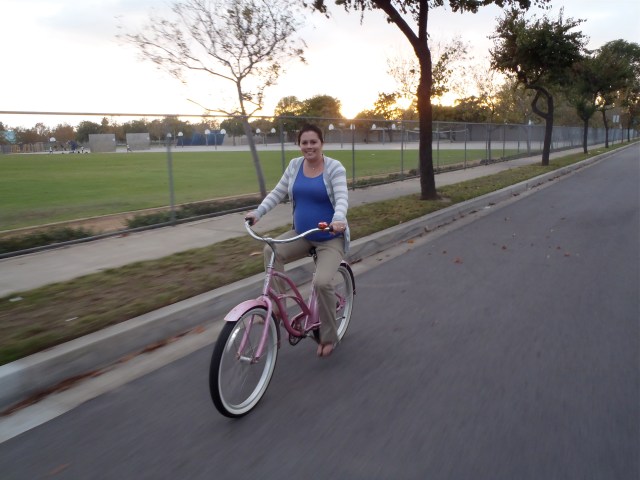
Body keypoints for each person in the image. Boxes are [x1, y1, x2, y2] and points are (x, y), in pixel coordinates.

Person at [245, 124, 349, 358]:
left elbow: (342, 197)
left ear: (322, 143)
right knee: (270, 251)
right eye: (304, 142)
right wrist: (258, 213)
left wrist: (338, 219)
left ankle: (329, 336)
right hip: (301, 234)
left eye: (313, 142)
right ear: (299, 144)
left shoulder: (334, 167)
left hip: (329, 238)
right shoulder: (294, 166)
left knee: (322, 283)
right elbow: (277, 193)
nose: (309, 146)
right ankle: (278, 309)